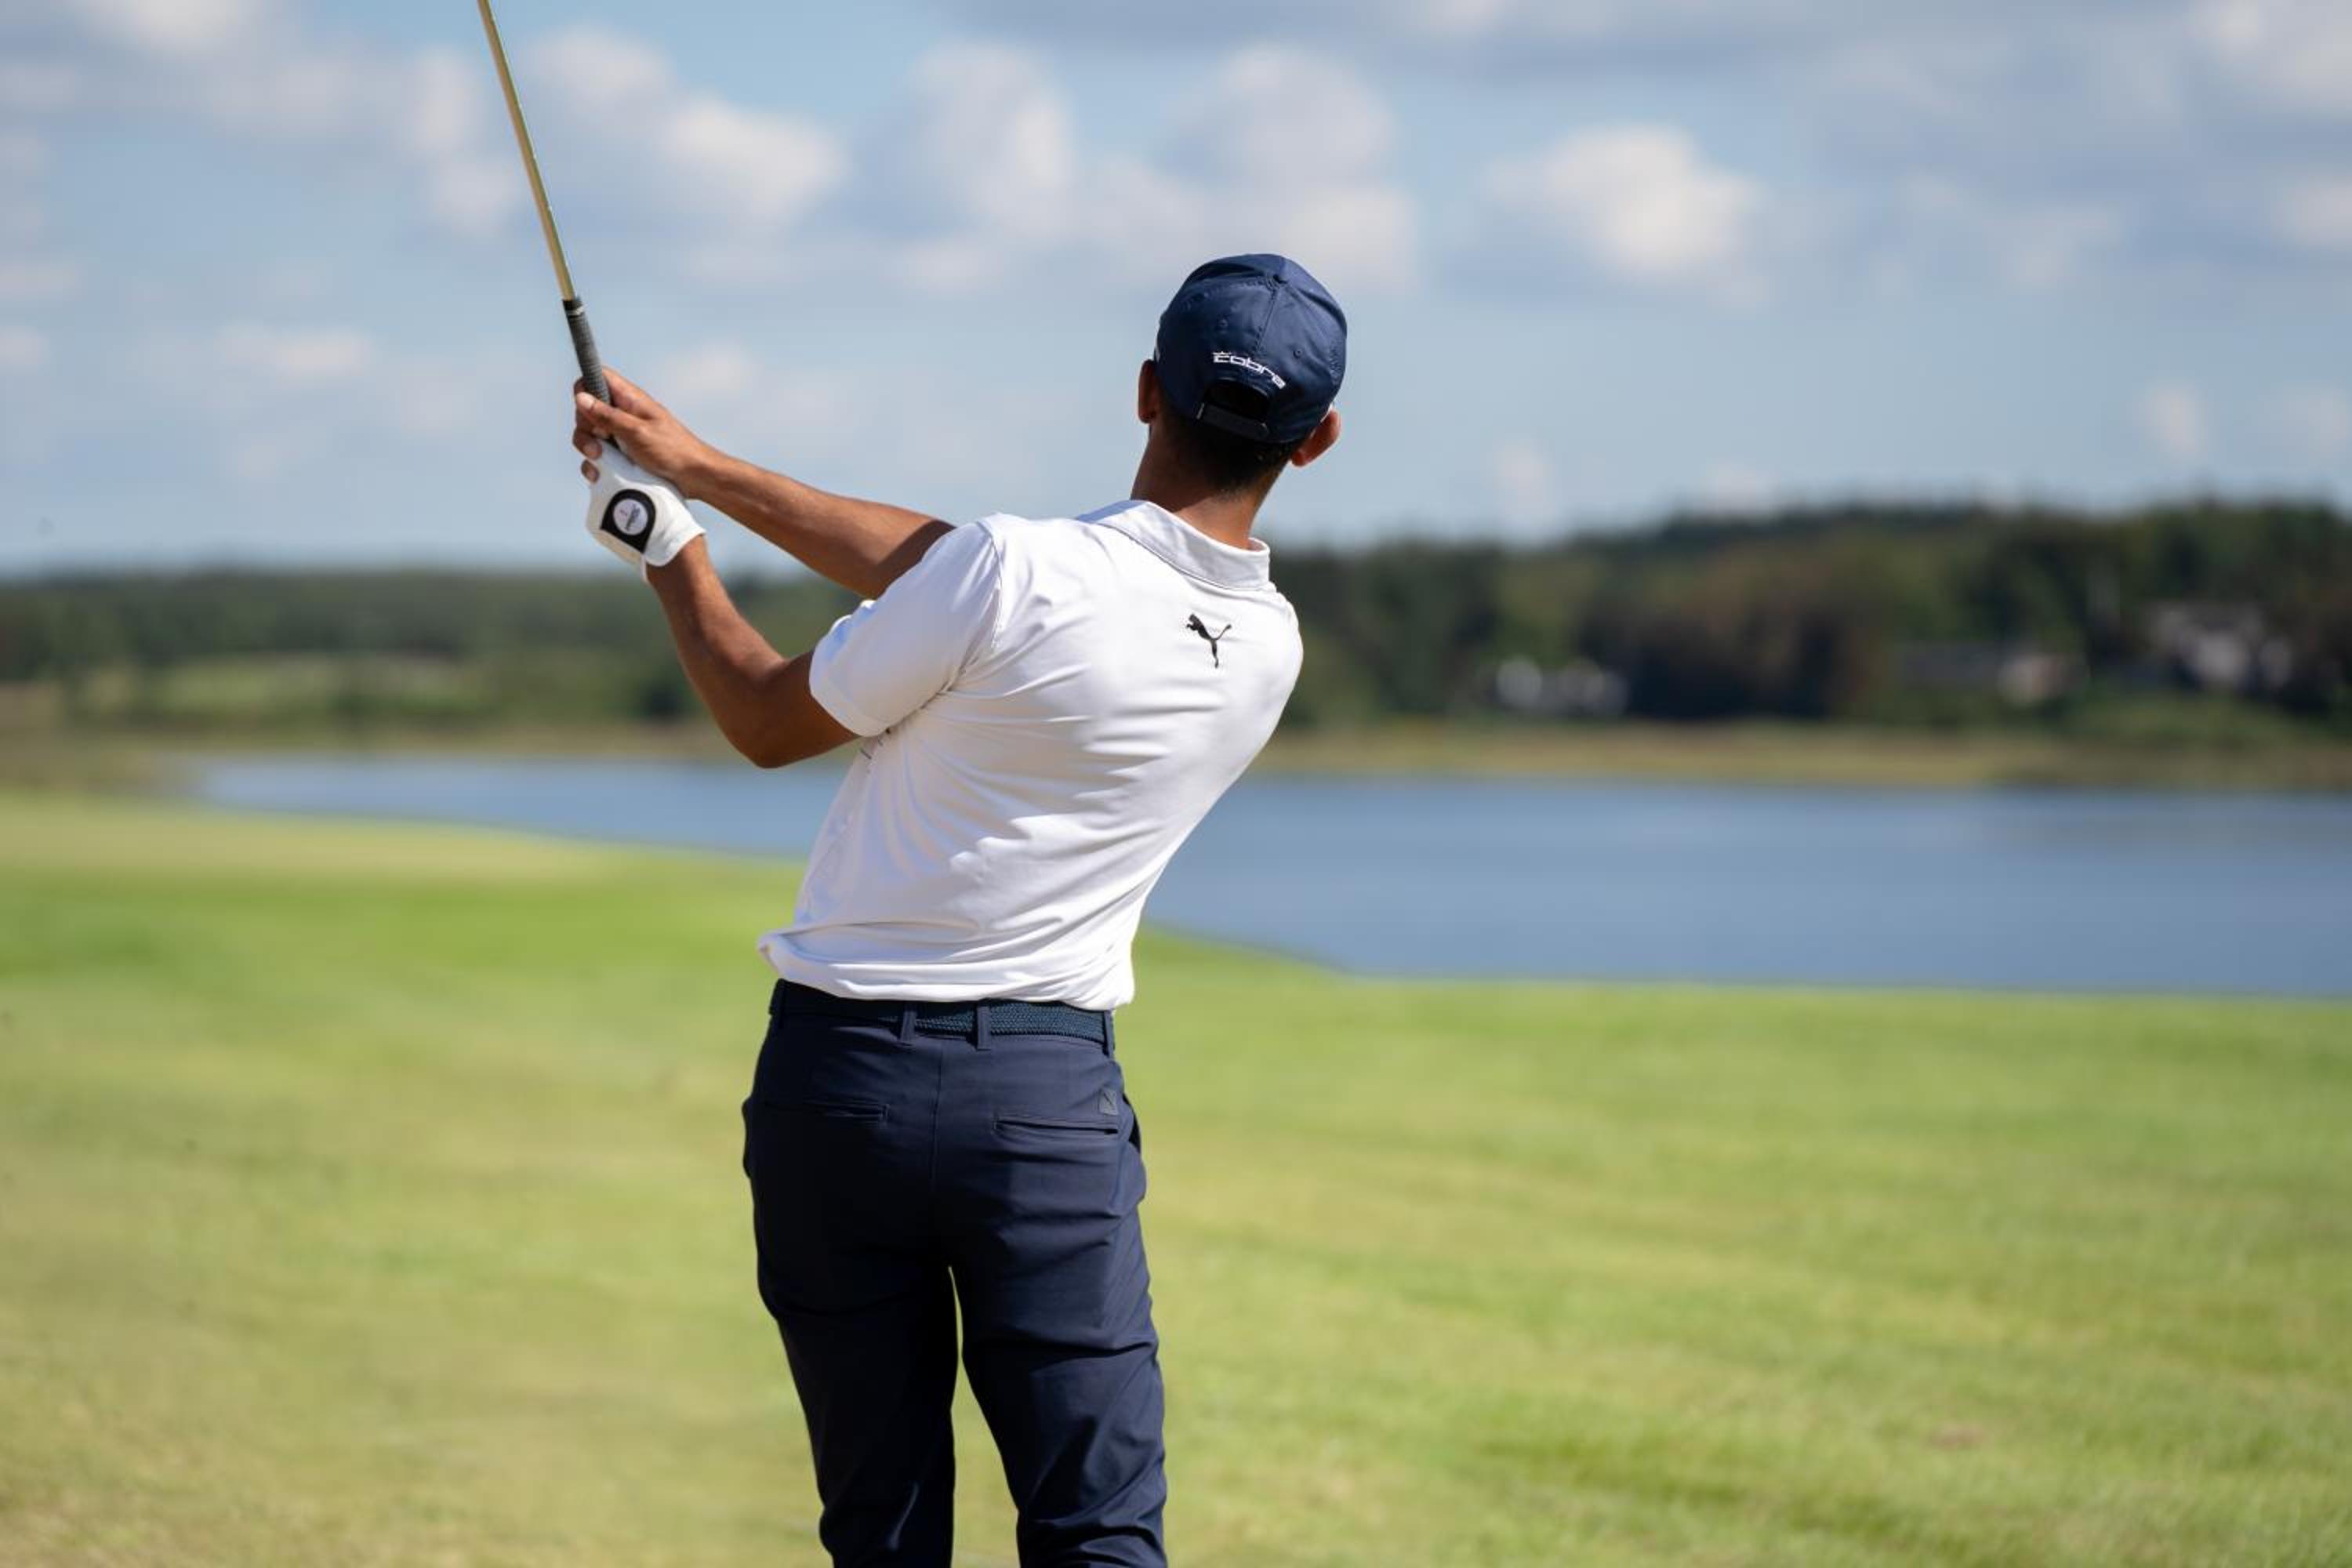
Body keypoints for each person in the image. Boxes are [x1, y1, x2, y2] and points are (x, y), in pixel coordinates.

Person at [570, 255, 1346, 1566]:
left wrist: (665, 539)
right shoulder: (1267, 646)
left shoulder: (1009, 570)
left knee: (885, 1536)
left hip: (840, 1091)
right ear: (1315, 441)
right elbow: (955, 571)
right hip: (1048, 1111)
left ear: (1144, 390)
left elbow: (766, 715)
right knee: (1099, 1534)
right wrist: (702, 467)